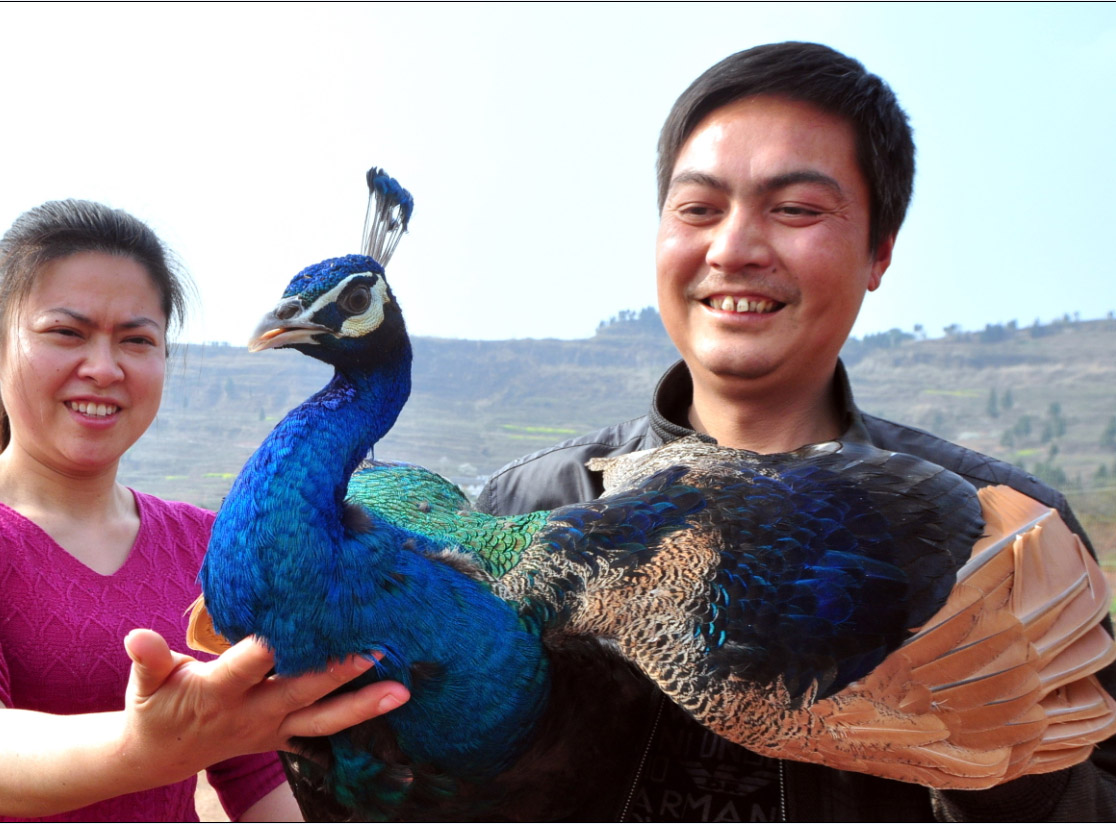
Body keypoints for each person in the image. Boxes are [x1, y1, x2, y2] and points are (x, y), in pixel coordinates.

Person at [476, 42, 1116, 821]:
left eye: (795, 210)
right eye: (699, 209)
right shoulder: (524, 509)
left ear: (879, 251)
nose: (734, 249)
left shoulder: (1000, 536)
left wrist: (1002, 751)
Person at [0, 200, 409, 821]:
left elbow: (258, 778)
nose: (104, 369)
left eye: (137, 340)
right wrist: (144, 748)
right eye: (67, 333)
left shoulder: (209, 544)